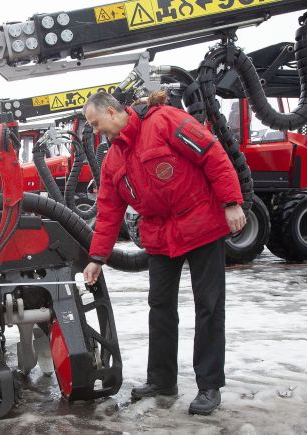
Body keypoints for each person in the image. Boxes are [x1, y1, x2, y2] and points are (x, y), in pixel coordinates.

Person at [82, 91, 246, 416]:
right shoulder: (114, 159)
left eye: (97, 124)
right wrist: (97, 258)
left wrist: (231, 202)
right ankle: (161, 380)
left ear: (113, 112)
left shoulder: (164, 121)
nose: (99, 132)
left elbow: (211, 154)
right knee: (160, 308)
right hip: (160, 235)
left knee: (209, 307)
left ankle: (209, 386)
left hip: (201, 224)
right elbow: (109, 211)